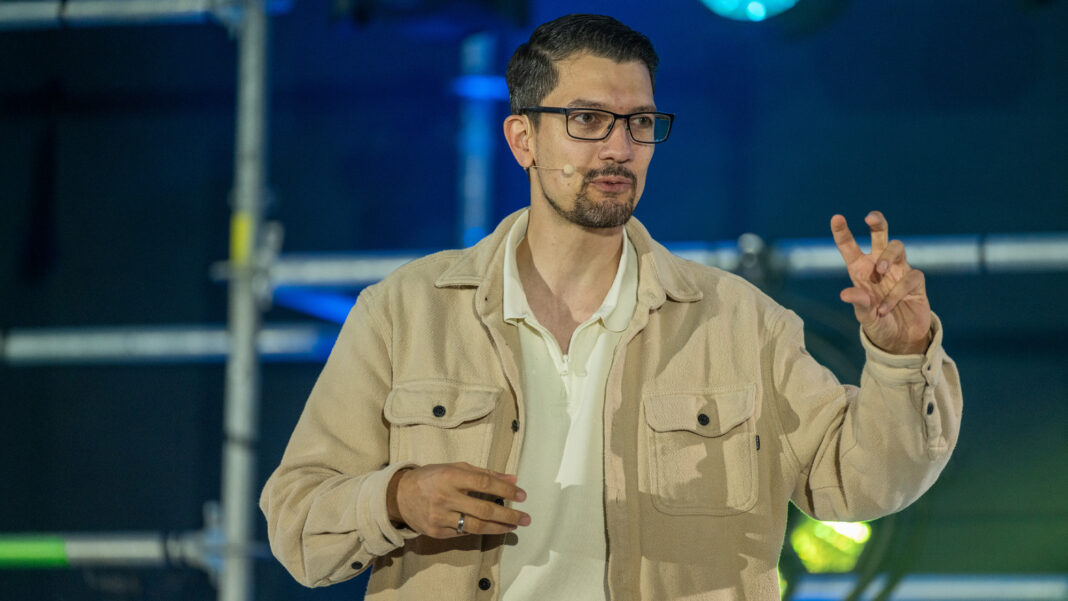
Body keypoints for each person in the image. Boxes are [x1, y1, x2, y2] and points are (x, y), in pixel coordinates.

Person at [260, 13, 962, 601]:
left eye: (640, 122)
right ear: (523, 139)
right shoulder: (406, 311)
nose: (621, 148)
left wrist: (900, 356)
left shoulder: (739, 320)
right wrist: (397, 497)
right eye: (589, 119)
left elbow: (859, 482)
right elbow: (296, 523)